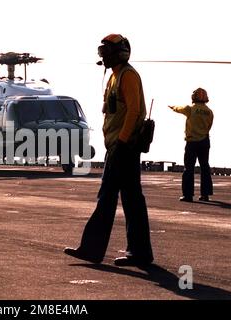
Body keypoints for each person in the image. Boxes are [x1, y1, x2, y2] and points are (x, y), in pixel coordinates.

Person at [64, 34, 154, 267]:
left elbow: (134, 112)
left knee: (107, 198)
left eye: (106, 53)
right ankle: (140, 253)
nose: (103, 57)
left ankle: (92, 250)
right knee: (132, 199)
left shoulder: (128, 75)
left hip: (124, 147)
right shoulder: (115, 77)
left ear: (117, 53)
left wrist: (122, 142)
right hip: (117, 146)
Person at [169, 88, 214, 202]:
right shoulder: (209, 111)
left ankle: (188, 195)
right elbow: (209, 126)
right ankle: (205, 195)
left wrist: (173, 107)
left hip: (192, 142)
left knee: (189, 168)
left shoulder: (190, 109)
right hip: (204, 141)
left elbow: (179, 108)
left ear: (194, 97)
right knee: (205, 167)